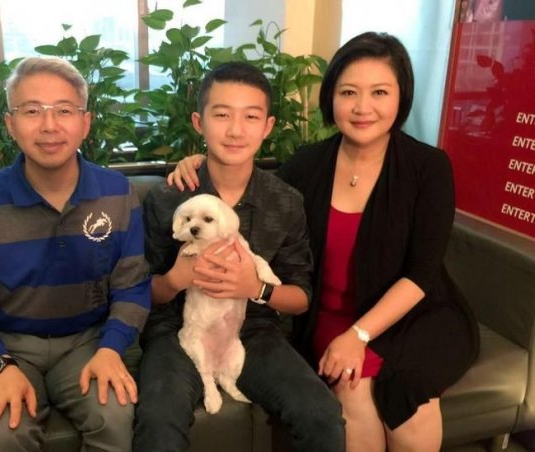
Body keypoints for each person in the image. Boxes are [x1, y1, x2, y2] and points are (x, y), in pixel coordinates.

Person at [167, 33, 479, 451]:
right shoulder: (307, 165)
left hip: (413, 314)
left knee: (408, 397)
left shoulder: (429, 167)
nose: (362, 107)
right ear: (331, 97)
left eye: (380, 92)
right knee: (353, 388)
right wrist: (201, 162)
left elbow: (422, 272)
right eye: (349, 92)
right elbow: (247, 188)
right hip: (330, 314)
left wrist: (359, 336)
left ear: (401, 97)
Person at [0, 56, 151, 452]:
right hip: (7, 343)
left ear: (85, 123)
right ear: (10, 124)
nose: (49, 125)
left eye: (64, 110)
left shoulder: (118, 193)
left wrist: (111, 348)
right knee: (1, 434)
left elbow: (132, 287)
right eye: (32, 111)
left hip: (89, 341)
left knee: (115, 417)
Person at [134, 61, 345, 452]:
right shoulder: (168, 198)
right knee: (159, 419)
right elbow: (138, 293)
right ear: (199, 122)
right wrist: (176, 279)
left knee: (321, 414)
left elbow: (300, 297)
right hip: (176, 330)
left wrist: (256, 287)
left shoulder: (285, 201)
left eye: (250, 116)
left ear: (267, 126)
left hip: (255, 329)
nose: (235, 130)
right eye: (221, 115)